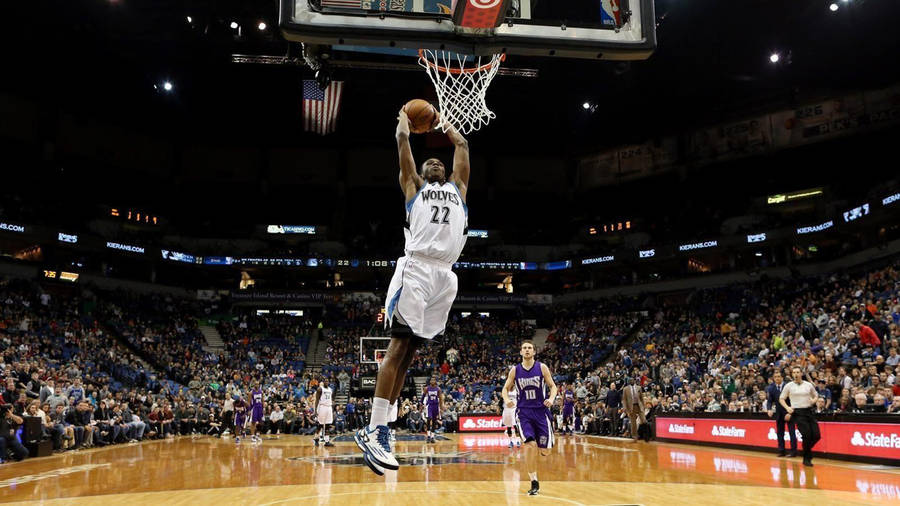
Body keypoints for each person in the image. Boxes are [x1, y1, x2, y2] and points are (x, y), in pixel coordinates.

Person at [356, 107, 471, 475]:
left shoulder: (459, 189)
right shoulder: (414, 187)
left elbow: (463, 144)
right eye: (430, 163)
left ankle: (384, 425)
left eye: (440, 161)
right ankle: (375, 428)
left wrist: (446, 125)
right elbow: (403, 144)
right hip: (417, 268)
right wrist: (404, 121)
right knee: (398, 346)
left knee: (410, 354)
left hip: (445, 277)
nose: (436, 163)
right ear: (420, 175)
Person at [501, 341, 559, 496]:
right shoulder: (515, 370)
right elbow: (505, 389)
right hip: (523, 412)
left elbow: (553, 386)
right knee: (530, 445)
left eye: (529, 348)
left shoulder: (542, 367)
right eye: (524, 348)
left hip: (541, 412)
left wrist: (552, 399)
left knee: (545, 451)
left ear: (534, 352)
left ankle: (541, 449)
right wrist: (506, 400)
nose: (527, 350)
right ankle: (534, 480)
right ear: (521, 352)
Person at [780, 367, 821, 466]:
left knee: (816, 435)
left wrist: (814, 400)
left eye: (797, 372)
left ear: (801, 373)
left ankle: (806, 451)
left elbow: (816, 395)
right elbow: (781, 398)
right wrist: (787, 408)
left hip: (809, 411)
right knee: (806, 435)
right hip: (797, 413)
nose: (796, 374)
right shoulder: (789, 386)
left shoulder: (808, 385)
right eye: (794, 372)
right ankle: (807, 458)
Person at [767, 371, 797, 457]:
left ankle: (793, 452)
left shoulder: (788, 386)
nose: (777, 378)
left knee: (792, 432)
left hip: (789, 412)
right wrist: (769, 409)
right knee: (780, 433)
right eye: (775, 377)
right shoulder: (771, 388)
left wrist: (790, 412)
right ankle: (781, 450)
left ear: (782, 377)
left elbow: (793, 400)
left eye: (779, 376)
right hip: (779, 413)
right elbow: (770, 400)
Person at [622, 378, 647, 442]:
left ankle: (646, 434)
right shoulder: (625, 389)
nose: (631, 381)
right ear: (628, 382)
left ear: (634, 381)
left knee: (643, 420)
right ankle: (634, 436)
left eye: (632, 380)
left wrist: (643, 405)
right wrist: (625, 408)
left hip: (639, 405)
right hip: (631, 407)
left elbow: (641, 397)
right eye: (630, 380)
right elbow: (624, 399)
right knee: (633, 422)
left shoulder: (639, 387)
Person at [314, 379, 335, 447]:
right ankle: (316, 438)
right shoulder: (320, 389)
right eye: (325, 381)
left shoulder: (330, 389)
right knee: (320, 424)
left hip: (329, 407)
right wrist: (315, 410)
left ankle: (327, 441)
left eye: (327, 381)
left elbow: (330, 399)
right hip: (322, 407)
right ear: (323, 382)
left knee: (328, 425)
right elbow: (317, 400)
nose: (326, 382)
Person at [422, 378, 443, 443]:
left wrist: (441, 407)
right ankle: (428, 435)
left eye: (434, 380)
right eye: (431, 380)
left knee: (434, 420)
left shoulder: (438, 389)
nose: (432, 381)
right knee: (429, 418)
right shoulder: (427, 388)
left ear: (435, 381)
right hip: (429, 405)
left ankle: (432, 436)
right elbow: (423, 396)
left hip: (436, 405)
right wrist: (421, 403)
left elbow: (440, 398)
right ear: (430, 381)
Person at [501, 381, 521, 448]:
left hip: (514, 409)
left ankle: (518, 441)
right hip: (506, 409)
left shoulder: (517, 390)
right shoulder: (505, 390)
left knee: (515, 426)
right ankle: (510, 442)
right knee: (508, 427)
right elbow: (501, 400)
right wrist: (499, 407)